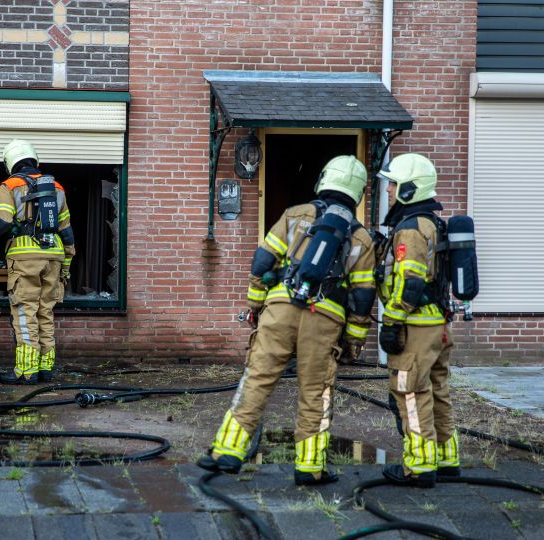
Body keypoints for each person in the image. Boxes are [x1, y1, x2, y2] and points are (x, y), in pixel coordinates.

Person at [196, 155, 377, 485]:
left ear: (324, 180)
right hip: (325, 320)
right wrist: (354, 341)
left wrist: (255, 307)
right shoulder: (362, 239)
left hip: (279, 310)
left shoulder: (295, 216)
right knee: (316, 392)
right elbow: (363, 299)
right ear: (359, 192)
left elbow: (261, 262)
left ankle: (227, 452)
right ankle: (310, 467)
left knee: (257, 379)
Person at [376, 152, 459, 489]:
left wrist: (392, 323)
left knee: (410, 392)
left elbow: (411, 282)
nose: (389, 190)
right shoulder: (432, 223)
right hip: (437, 325)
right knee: (437, 390)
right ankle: (445, 458)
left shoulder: (410, 229)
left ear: (409, 189)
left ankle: (420, 466)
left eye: (394, 184)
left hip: (416, 329)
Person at [0, 139, 76, 384]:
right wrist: (67, 261)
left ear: (10, 162)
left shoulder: (10, 185)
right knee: (46, 312)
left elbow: (0, 224)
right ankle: (46, 368)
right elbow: (66, 230)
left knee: (25, 312)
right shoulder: (56, 187)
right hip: (54, 256)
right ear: (34, 159)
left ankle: (26, 371)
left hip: (25, 258)